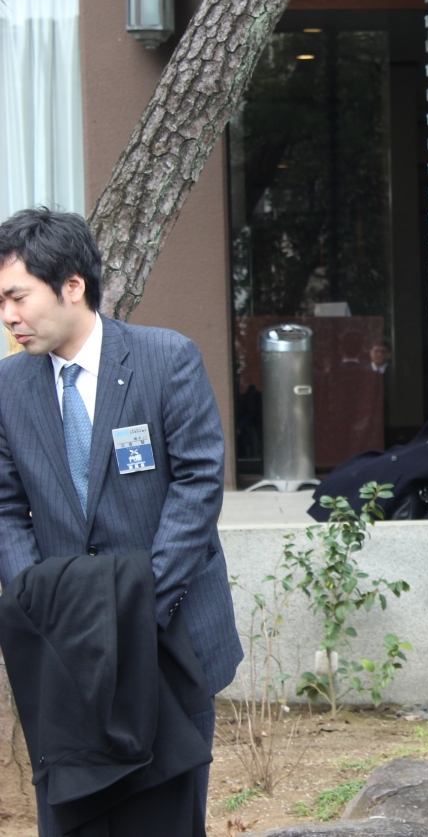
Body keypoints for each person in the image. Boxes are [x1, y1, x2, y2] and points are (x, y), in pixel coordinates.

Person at [0, 208, 242, 835]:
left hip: (169, 634)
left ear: (71, 286)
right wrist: (42, 605)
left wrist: (133, 608)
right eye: (1, 302)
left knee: (167, 818)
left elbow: (197, 483)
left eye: (17, 297)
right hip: (66, 650)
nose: (8, 316)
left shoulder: (166, 359)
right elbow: (5, 508)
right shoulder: (9, 386)